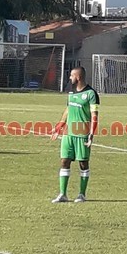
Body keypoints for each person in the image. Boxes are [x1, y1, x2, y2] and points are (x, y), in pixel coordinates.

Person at [51, 66, 100, 203]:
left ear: (78, 77)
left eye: (72, 75)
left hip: (82, 133)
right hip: (68, 133)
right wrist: (60, 125)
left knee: (83, 164)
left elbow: (94, 115)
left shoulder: (91, 94)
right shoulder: (71, 92)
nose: (70, 78)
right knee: (64, 161)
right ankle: (62, 194)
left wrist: (91, 134)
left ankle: (81, 194)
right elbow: (68, 109)